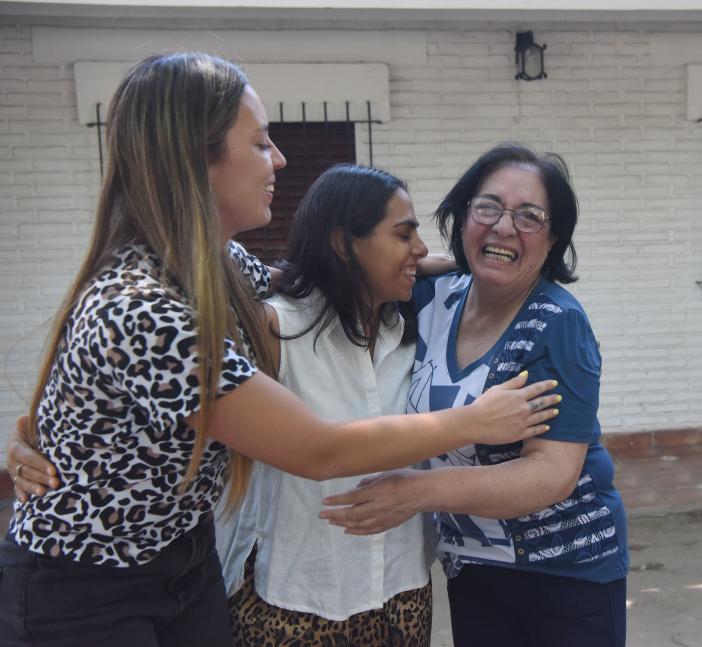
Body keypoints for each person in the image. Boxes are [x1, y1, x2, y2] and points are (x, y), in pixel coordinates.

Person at [0, 54, 558, 647]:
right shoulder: (143, 309)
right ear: (199, 158)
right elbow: (320, 449)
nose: (281, 160)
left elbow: (316, 277)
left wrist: (434, 263)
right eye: (262, 143)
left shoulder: (222, 266)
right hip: (86, 586)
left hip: (185, 558)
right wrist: (472, 421)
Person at [321, 144, 629, 647]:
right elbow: (356, 271)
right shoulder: (434, 299)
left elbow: (550, 473)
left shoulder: (557, 325)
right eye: (488, 208)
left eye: (530, 217)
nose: (505, 228)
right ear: (463, 217)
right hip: (472, 565)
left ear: (552, 240)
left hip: (567, 572)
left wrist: (417, 492)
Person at [219, 163, 436, 646]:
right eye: (403, 235)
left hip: (402, 590)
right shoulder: (276, 330)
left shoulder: (412, 328)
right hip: (295, 597)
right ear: (342, 244)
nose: (420, 249)